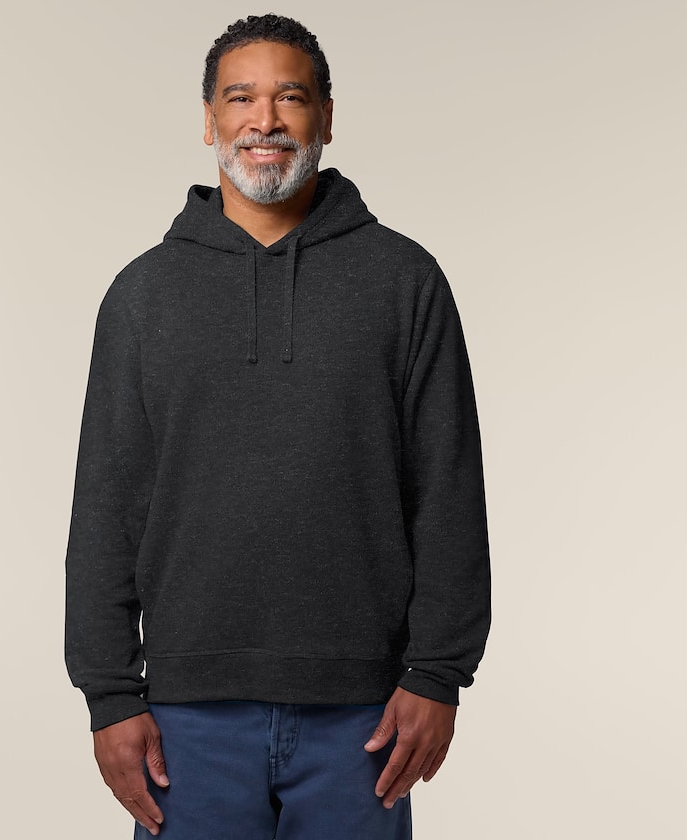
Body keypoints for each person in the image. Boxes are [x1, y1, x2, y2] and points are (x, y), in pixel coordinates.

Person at [65, 14, 490, 840]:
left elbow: (447, 488)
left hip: (365, 716)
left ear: (326, 116)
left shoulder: (404, 282)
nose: (264, 119)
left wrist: (438, 674)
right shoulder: (142, 295)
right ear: (209, 120)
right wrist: (109, 694)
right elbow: (106, 506)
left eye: (290, 97)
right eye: (241, 98)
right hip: (184, 718)